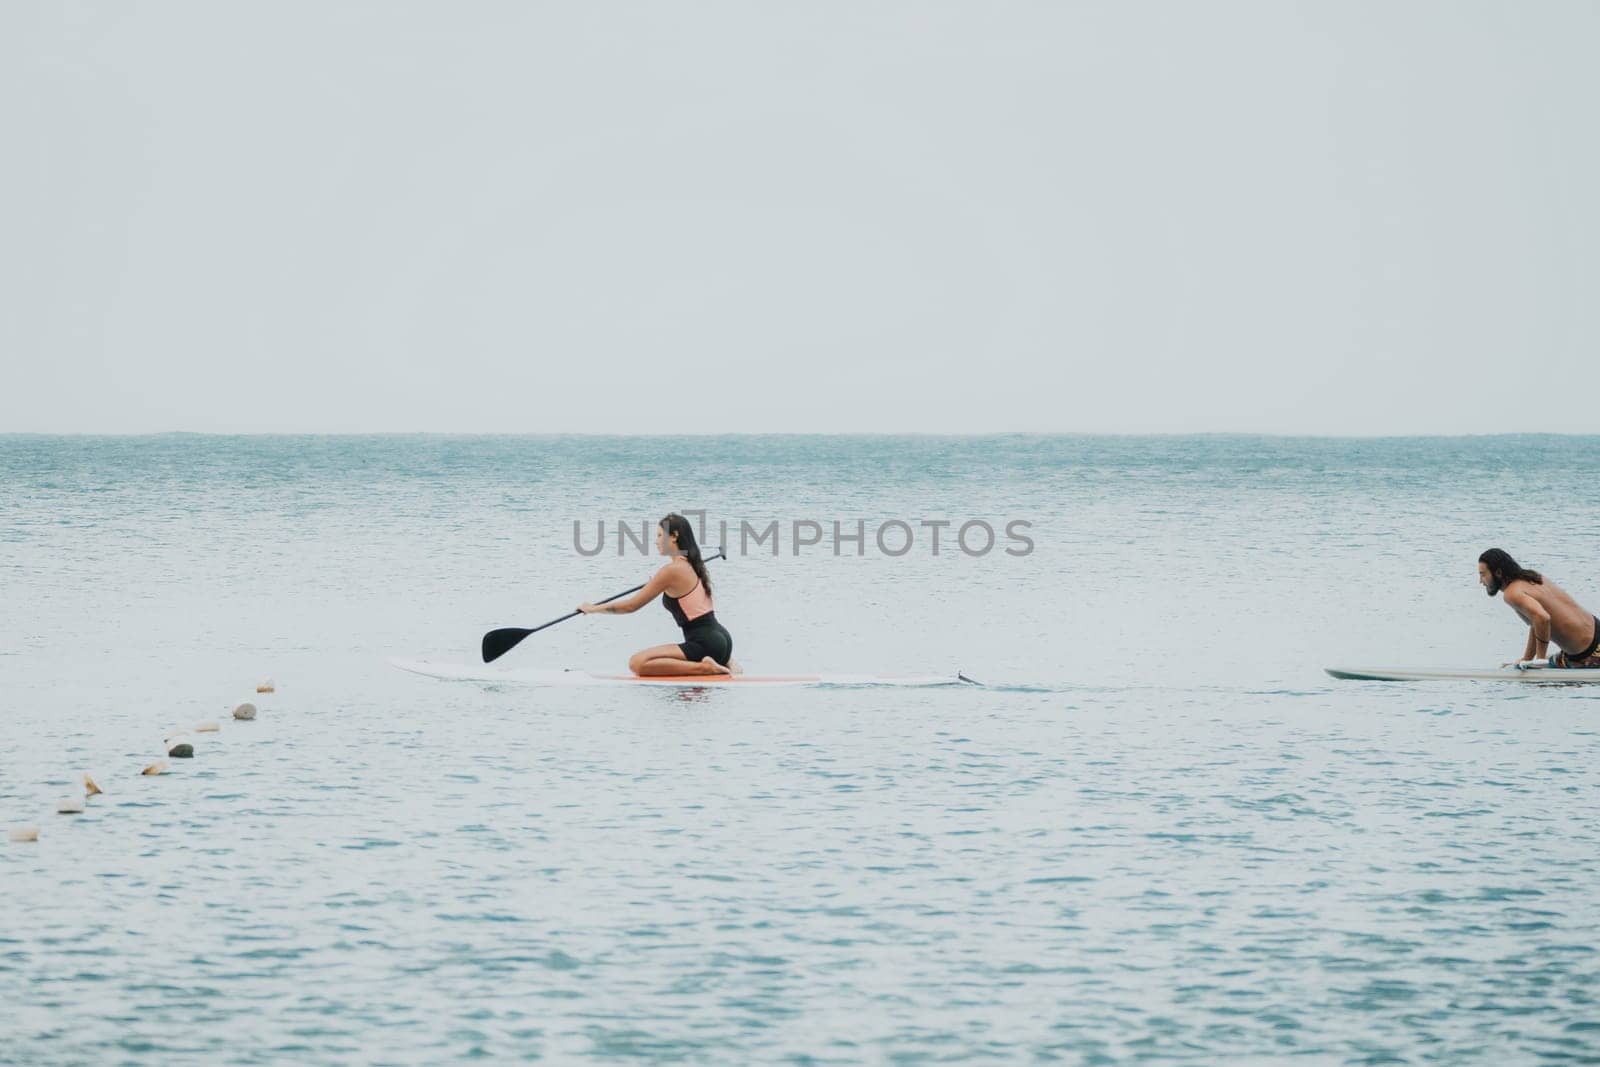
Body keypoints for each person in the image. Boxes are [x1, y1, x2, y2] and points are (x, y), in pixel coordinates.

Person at [578, 513, 739, 677]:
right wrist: (655, 583)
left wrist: (593, 608)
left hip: (705, 644)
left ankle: (706, 668)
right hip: (721, 641)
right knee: (644, 661)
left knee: (637, 663)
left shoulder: (671, 571)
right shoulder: (691, 565)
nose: (656, 541)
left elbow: (630, 606)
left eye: (660, 535)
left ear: (674, 536)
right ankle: (722, 662)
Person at [1478, 548, 1600, 668]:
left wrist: (1540, 659)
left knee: (1535, 679)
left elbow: (1542, 618)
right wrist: (1528, 659)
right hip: (1594, 634)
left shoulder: (1511, 593)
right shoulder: (1532, 577)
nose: (1480, 581)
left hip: (1590, 654)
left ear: (1498, 573)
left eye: (1483, 575)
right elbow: (1535, 621)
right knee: (1521, 666)